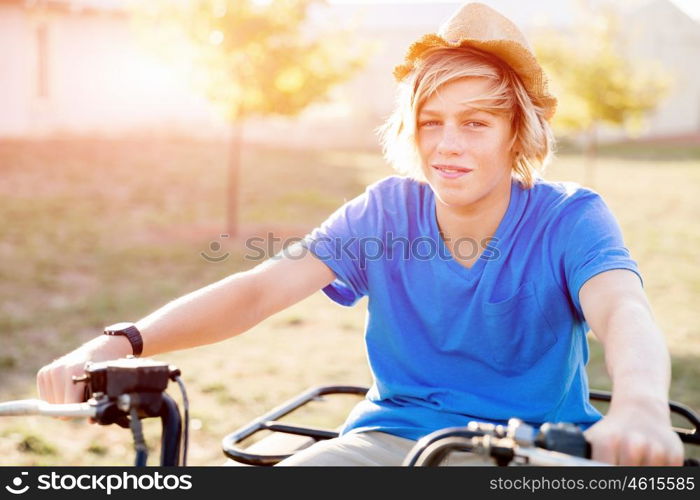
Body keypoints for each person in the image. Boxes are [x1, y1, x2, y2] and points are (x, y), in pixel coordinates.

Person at [37, 2, 684, 466]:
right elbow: (259, 290)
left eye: (475, 124)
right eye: (431, 122)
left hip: (533, 450)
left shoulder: (570, 216)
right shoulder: (385, 211)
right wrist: (119, 341)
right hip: (388, 443)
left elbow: (623, 310)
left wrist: (642, 407)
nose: (448, 146)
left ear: (519, 132)